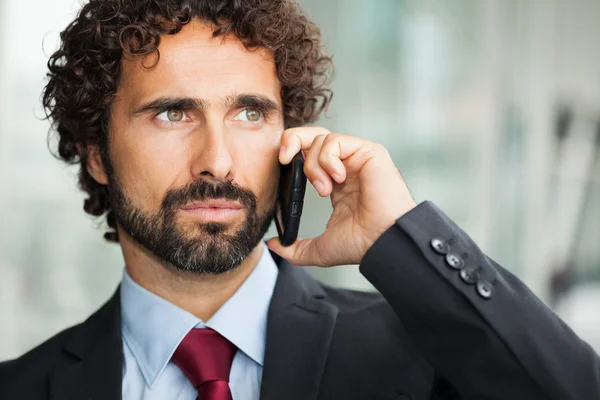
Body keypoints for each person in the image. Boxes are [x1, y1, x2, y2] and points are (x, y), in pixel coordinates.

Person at [0, 0, 598, 399]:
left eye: (249, 112)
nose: (219, 159)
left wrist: (403, 235)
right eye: (173, 113)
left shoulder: (429, 352)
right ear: (97, 153)